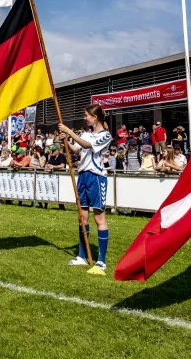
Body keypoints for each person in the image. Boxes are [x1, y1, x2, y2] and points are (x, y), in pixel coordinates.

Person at [59, 103, 112, 275]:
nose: (85, 118)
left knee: (99, 219)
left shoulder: (106, 135)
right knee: (83, 218)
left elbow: (88, 146)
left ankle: (101, 261)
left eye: (87, 115)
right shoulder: (86, 134)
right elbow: (77, 149)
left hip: (96, 177)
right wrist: (66, 141)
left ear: (95, 117)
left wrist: (69, 132)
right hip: (82, 175)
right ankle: (82, 256)